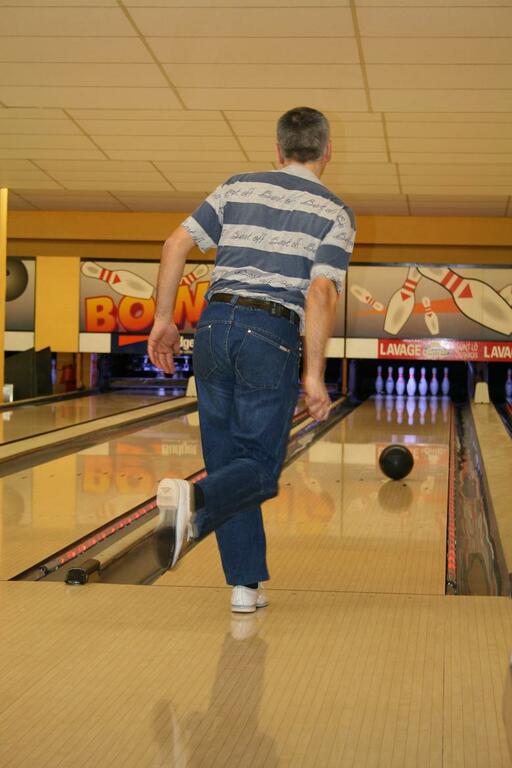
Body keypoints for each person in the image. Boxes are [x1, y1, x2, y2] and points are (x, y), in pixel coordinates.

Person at [147, 106, 355, 613]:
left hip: (213, 325)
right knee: (258, 468)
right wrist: (314, 375)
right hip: (271, 333)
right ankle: (195, 500)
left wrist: (163, 320)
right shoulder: (335, 212)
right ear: (327, 150)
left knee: (230, 466)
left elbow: (175, 245)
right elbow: (320, 293)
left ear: (278, 150)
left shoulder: (237, 186)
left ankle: (244, 585)